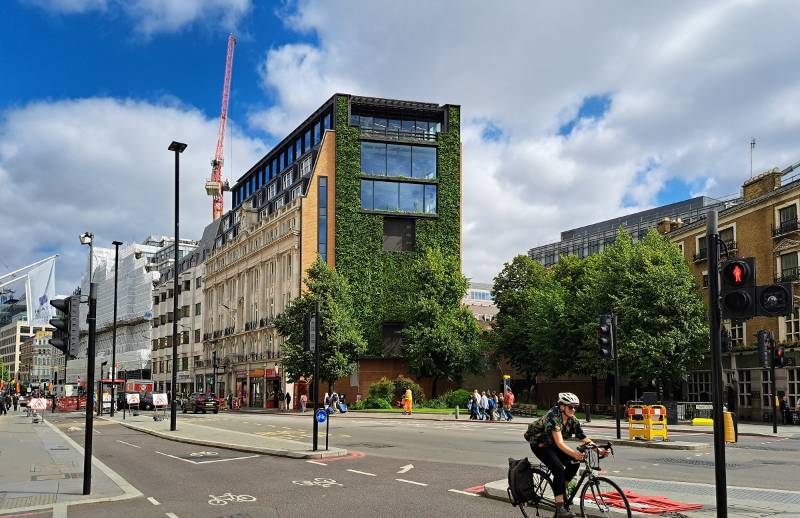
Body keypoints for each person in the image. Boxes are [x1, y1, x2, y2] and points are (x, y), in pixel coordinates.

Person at [524, 392, 605, 518]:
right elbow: (560, 443)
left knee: (574, 463)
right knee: (559, 470)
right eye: (570, 407)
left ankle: (561, 490)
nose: (573, 410)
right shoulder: (553, 416)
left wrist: (598, 450)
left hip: (553, 444)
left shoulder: (572, 419)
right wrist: (574, 453)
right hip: (540, 444)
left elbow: (583, 437)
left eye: (575, 407)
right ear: (562, 407)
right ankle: (560, 507)